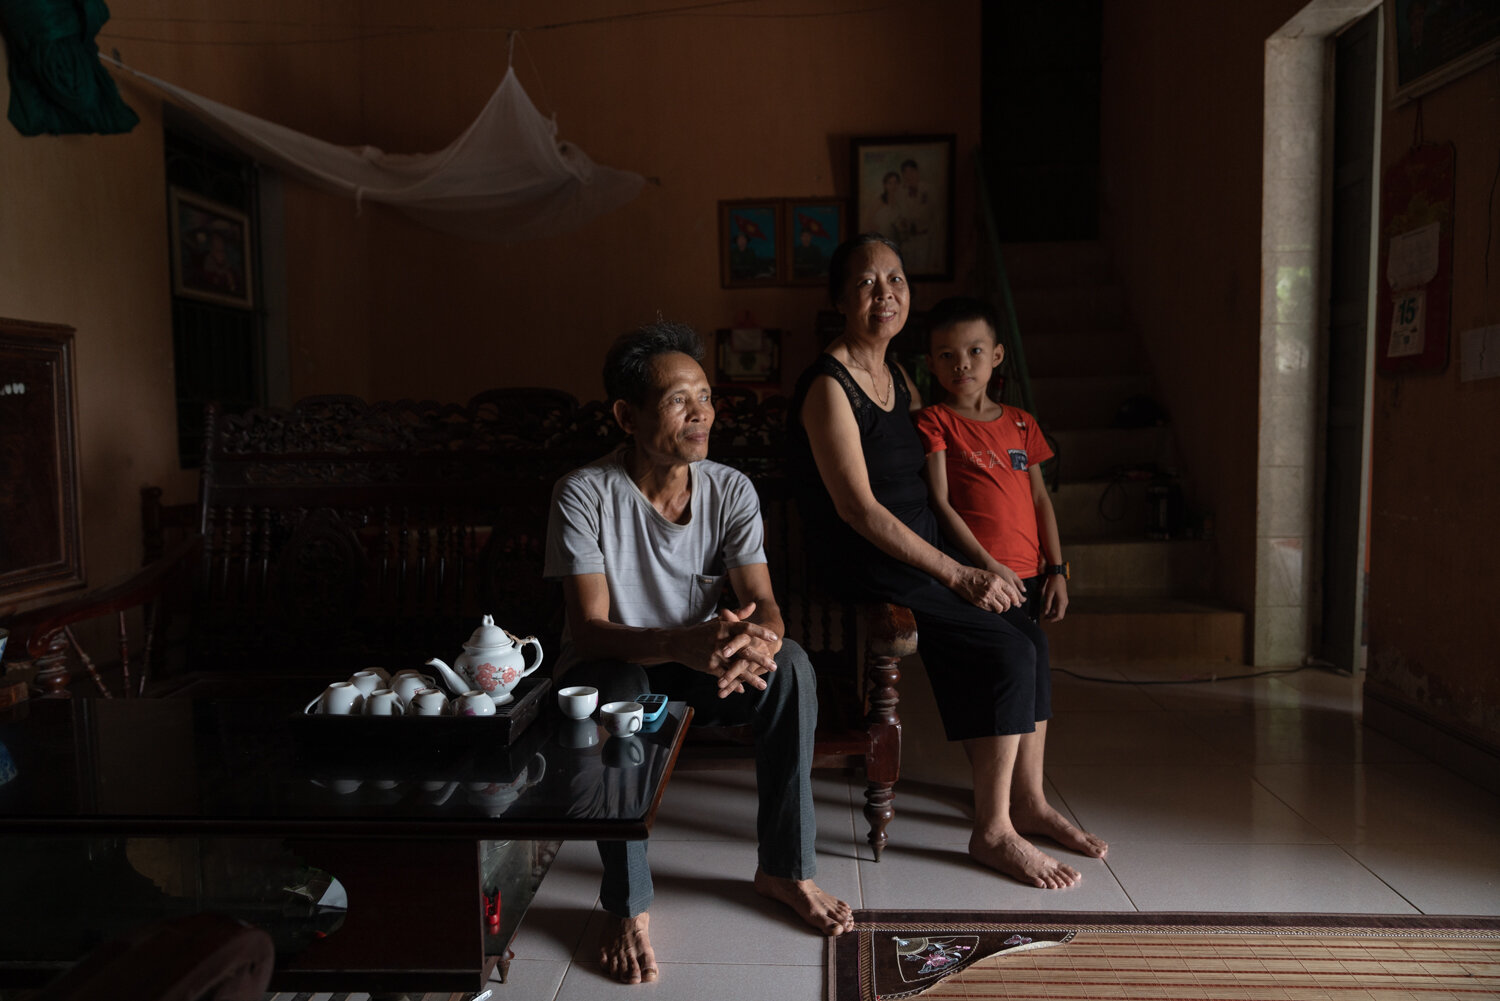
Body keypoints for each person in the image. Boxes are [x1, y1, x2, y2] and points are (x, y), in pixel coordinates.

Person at [788, 234, 1107, 891]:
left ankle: (1029, 800)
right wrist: (959, 573)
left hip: (921, 547)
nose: (886, 294)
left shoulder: (900, 373)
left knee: (1026, 633)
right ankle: (992, 830)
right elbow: (859, 511)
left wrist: (996, 557)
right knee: (1005, 650)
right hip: (872, 560)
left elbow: (934, 478)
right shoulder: (828, 385)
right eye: (868, 283)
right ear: (841, 299)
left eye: (896, 280)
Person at [544, 321, 854, 984]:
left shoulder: (730, 489)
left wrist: (756, 640)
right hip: (620, 672)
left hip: (707, 668)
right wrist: (677, 642)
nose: (702, 413)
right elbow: (590, 628)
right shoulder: (584, 493)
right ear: (626, 415)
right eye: (678, 399)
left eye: (706, 395)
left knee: (792, 665)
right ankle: (627, 904)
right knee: (618, 679)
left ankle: (784, 869)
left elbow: (764, 602)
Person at [916, 295, 1070, 626]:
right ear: (931, 363)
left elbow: (1040, 498)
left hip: (1030, 574)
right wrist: (986, 563)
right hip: (978, 575)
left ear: (997, 355)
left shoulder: (1023, 423)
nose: (962, 363)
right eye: (947, 355)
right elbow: (940, 502)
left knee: (1034, 671)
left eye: (975, 351)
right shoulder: (935, 420)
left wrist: (1058, 570)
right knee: (1007, 667)